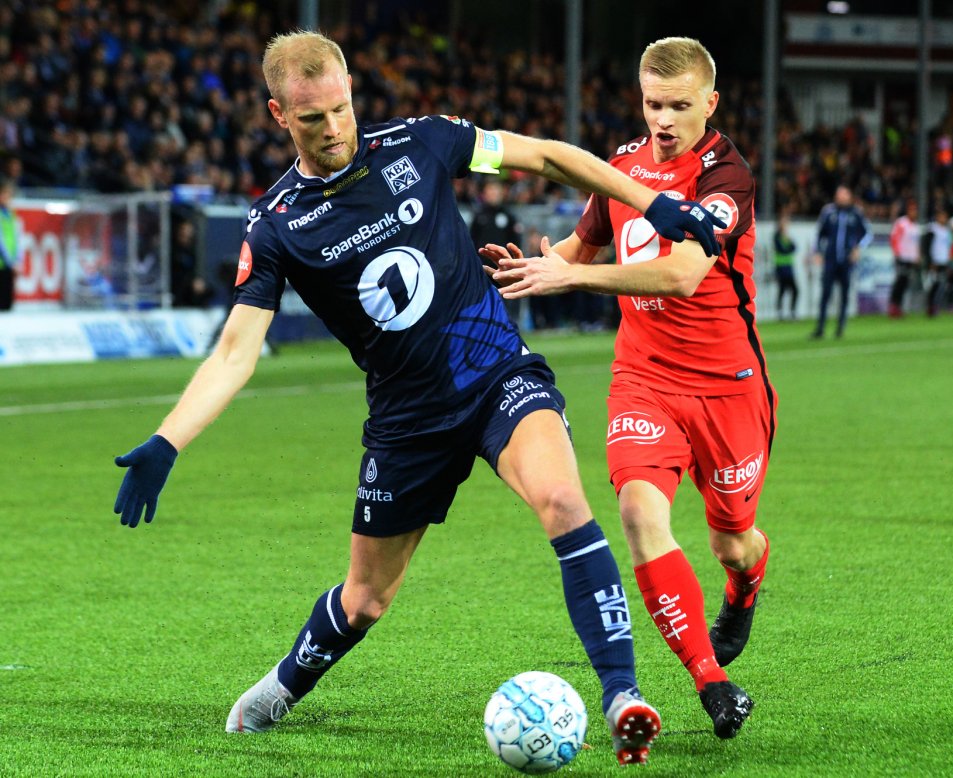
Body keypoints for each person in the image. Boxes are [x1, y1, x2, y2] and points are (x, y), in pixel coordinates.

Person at [111, 30, 727, 766]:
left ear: (350, 91)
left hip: (497, 374)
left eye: (340, 108)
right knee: (366, 598)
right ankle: (283, 685)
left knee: (565, 501)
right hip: (407, 421)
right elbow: (236, 351)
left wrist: (652, 206)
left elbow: (548, 157)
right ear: (279, 115)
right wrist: (168, 439)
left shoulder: (422, 142)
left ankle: (623, 696)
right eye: (312, 118)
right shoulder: (275, 225)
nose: (333, 128)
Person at [482, 36, 769, 741]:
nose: (663, 120)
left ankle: (744, 585)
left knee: (733, 541)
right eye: (652, 104)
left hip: (728, 387)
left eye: (678, 106)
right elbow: (578, 247)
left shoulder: (725, 178)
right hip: (644, 378)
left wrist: (572, 278)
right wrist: (531, 268)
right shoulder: (622, 167)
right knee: (640, 514)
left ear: (710, 103)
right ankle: (712, 681)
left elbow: (683, 275)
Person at [810, 184, 871, 339]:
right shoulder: (828, 212)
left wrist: (857, 248)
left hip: (846, 261)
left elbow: (867, 234)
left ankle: (840, 328)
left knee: (844, 295)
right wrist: (818, 252)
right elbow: (819, 234)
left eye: (844, 194)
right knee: (826, 294)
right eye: (839, 194)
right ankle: (820, 328)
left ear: (849, 197)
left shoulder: (856, 213)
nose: (841, 197)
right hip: (830, 260)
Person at [469, 178, 524, 324]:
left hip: (504, 268)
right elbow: (471, 241)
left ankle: (510, 325)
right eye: (491, 190)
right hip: (483, 269)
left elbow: (515, 243)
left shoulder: (509, 216)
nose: (494, 193)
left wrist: (514, 264)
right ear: (485, 194)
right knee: (484, 302)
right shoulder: (479, 216)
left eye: (496, 190)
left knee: (506, 299)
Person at [887, 199, 921, 318]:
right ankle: (893, 306)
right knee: (900, 282)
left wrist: (917, 256)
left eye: (915, 210)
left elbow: (916, 244)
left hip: (911, 259)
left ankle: (899, 306)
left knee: (905, 282)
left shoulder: (916, 226)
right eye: (912, 210)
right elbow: (894, 238)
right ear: (907, 211)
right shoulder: (901, 223)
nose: (914, 213)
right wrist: (897, 254)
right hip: (902, 257)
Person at [924, 206, 953, 317]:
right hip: (935, 262)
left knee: (942, 285)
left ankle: (936, 306)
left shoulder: (947, 231)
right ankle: (930, 306)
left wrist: (950, 261)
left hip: (944, 262)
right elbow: (926, 246)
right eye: (941, 216)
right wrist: (930, 261)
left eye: (945, 217)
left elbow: (950, 247)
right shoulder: (932, 229)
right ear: (937, 217)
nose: (943, 218)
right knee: (933, 285)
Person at [773, 211, 798, 319]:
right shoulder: (777, 236)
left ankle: (792, 311)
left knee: (794, 290)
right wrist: (788, 248)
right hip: (781, 267)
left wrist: (788, 248)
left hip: (789, 267)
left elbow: (794, 247)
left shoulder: (786, 236)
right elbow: (783, 249)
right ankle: (780, 312)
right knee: (782, 289)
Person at [0, 175, 19, 311]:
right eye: (4, 194)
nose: (7, 197)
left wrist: (17, 260)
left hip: (9, 263)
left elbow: (16, 238)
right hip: (3, 262)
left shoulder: (11, 214)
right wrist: (10, 262)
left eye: (9, 194)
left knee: (8, 303)